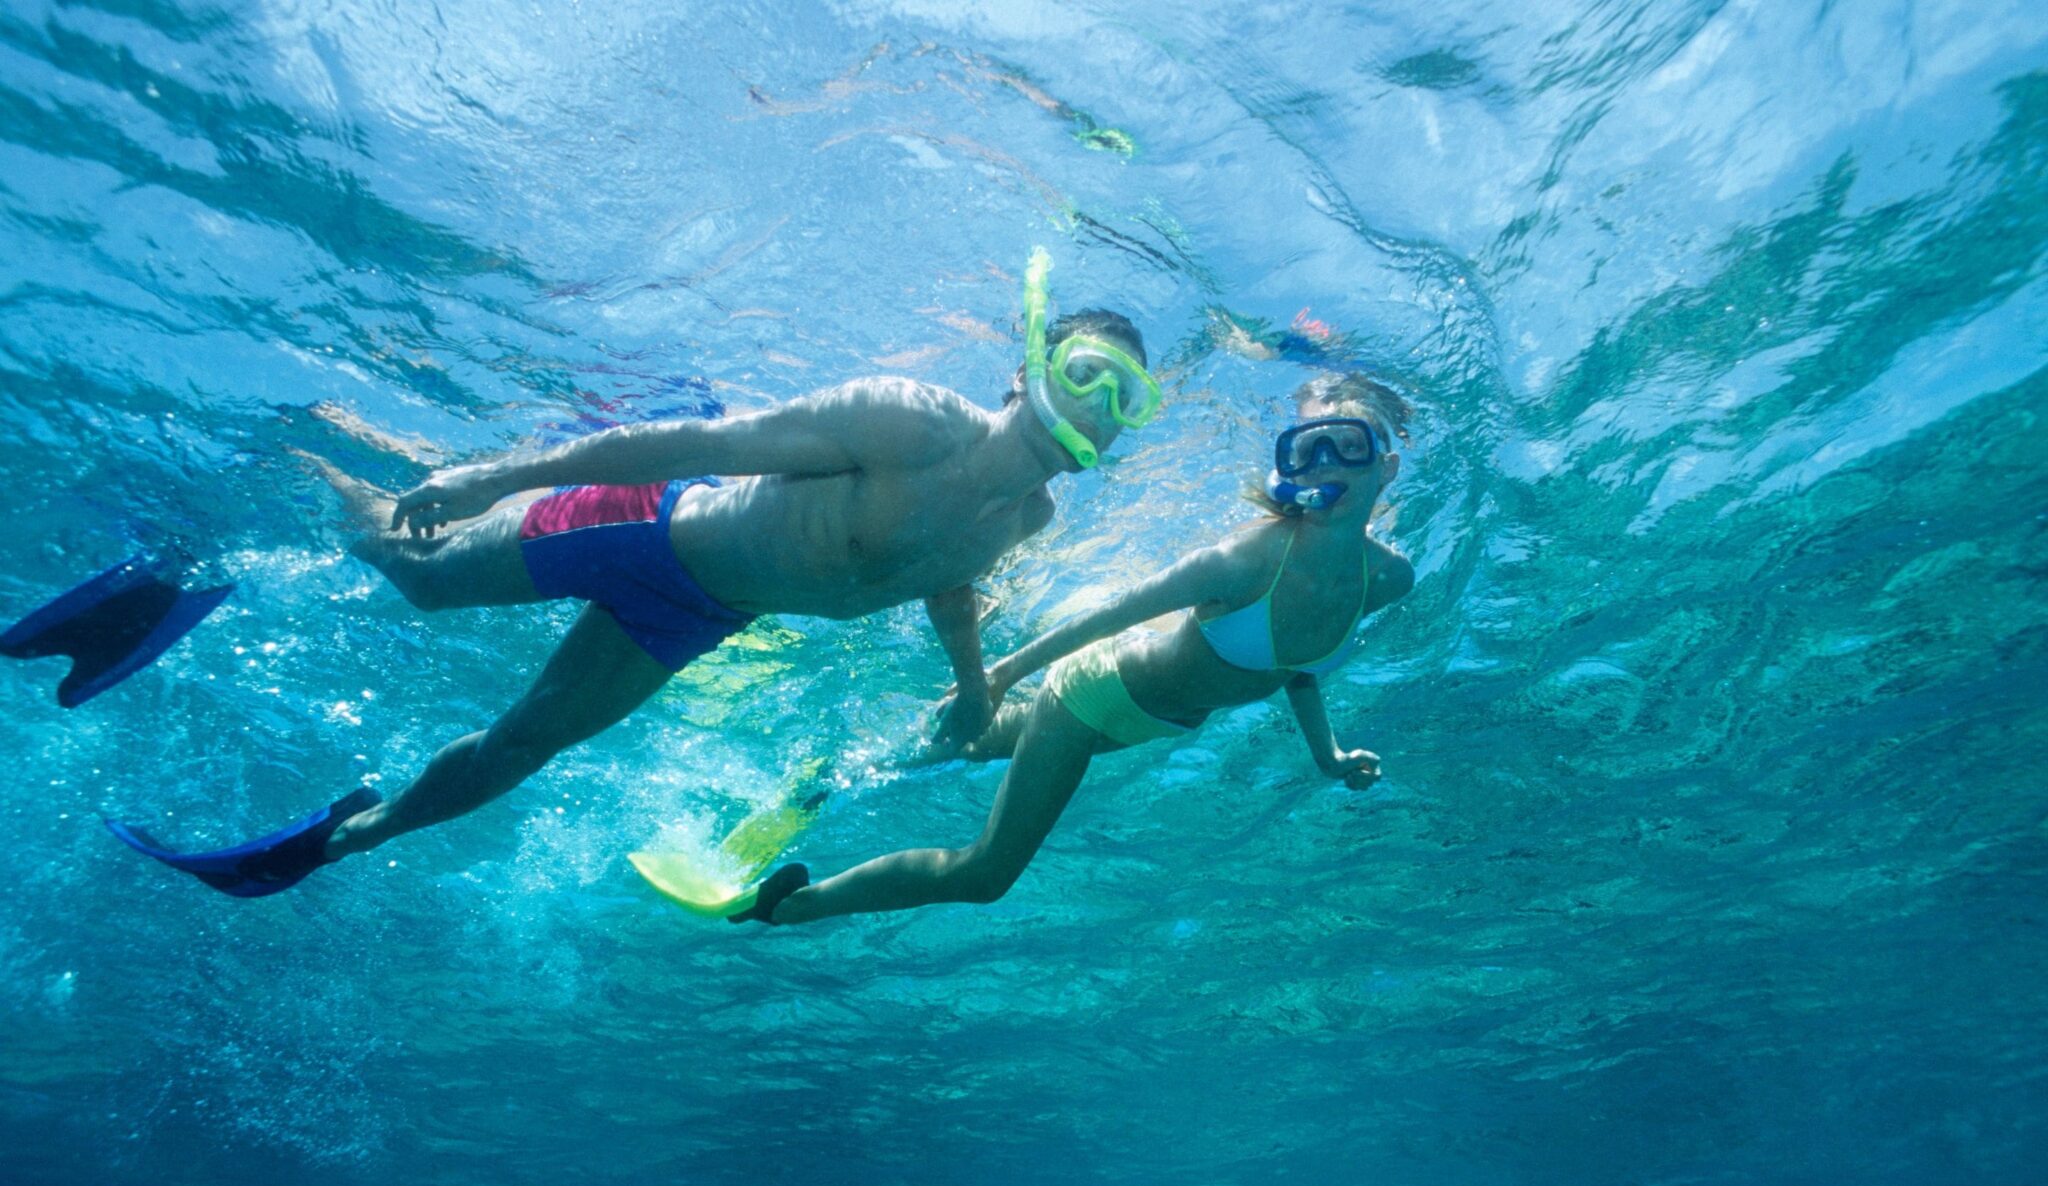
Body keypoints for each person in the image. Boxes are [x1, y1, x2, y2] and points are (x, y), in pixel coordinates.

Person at [105, 252, 1162, 898]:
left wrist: (974, 687)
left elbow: (947, 588)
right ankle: (307, 452)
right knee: (411, 573)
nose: (1096, 413)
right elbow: (681, 443)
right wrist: (492, 477)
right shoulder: (908, 420)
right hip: (642, 528)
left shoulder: (1026, 516)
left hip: (699, 612)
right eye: (1084, 378)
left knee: (523, 748)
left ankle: (345, 839)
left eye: (1125, 404)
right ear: (1026, 366)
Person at [743, 374, 1416, 926]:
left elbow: (1297, 666)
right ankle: (795, 905)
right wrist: (1000, 673)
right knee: (985, 875)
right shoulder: (1246, 560)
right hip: (1091, 696)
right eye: (1308, 450)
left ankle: (833, 775)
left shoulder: (1385, 579)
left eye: (1345, 447)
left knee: (965, 744)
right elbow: (1112, 613)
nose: (1324, 464)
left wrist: (1327, 755)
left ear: (1384, 468)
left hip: (1148, 721)